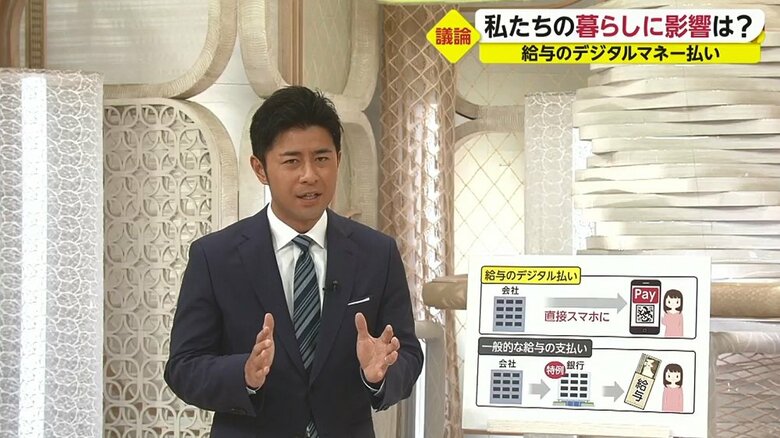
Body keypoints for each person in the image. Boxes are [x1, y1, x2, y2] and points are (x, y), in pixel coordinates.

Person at [164, 86, 424, 437]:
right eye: (292, 161)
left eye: (321, 158)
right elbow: (183, 367)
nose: (309, 175)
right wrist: (244, 374)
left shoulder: (377, 253)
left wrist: (379, 375)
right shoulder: (215, 257)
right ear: (260, 168)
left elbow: (407, 354)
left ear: (338, 159)